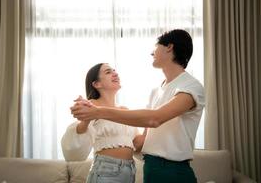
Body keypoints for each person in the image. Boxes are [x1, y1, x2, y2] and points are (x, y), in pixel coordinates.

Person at [70, 29, 205, 183]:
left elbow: (155, 119)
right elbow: (141, 141)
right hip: (149, 169)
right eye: (108, 72)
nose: (151, 53)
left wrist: (98, 112)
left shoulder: (191, 86)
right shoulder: (156, 92)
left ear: (169, 47)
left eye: (156, 47)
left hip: (173, 171)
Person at [61, 63, 146, 183]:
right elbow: (75, 148)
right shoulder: (92, 105)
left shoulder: (125, 110)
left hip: (130, 172)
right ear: (97, 84)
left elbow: (137, 143)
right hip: (105, 172)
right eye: (108, 72)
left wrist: (152, 120)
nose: (115, 73)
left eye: (114, 70)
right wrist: (85, 118)